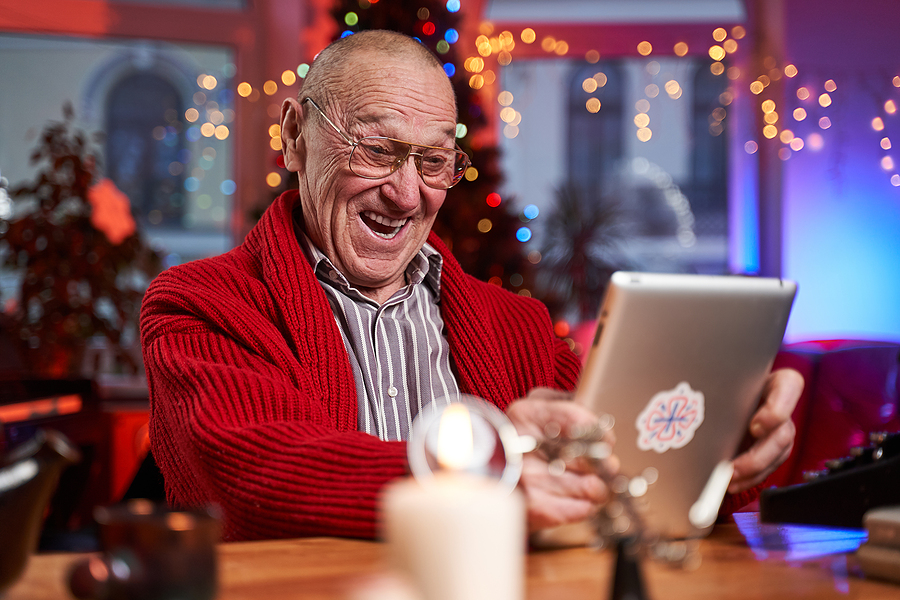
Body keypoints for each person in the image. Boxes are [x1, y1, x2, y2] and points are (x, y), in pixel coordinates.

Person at [140, 30, 803, 542]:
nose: (406, 194)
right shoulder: (198, 302)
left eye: (432, 161)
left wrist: (726, 439)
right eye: (375, 149)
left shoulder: (516, 324)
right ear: (293, 137)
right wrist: (488, 471)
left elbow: (623, 465)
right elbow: (257, 475)